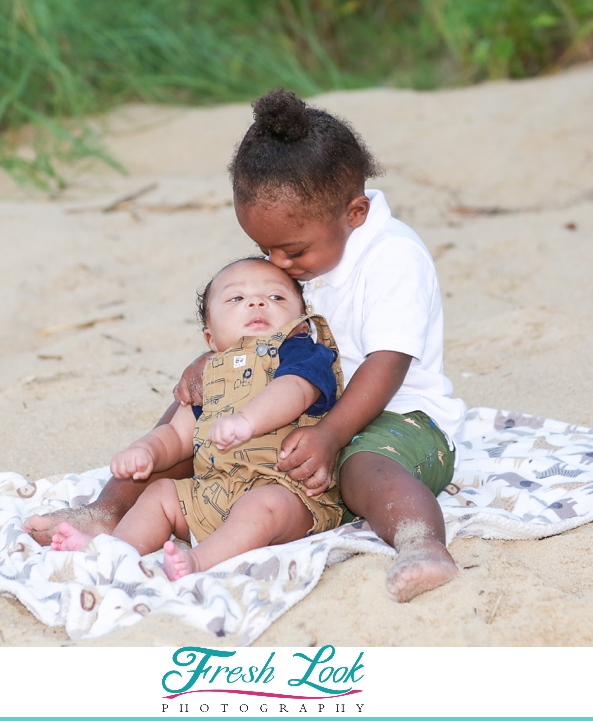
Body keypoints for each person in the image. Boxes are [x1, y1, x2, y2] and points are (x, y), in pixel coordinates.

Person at [25, 91, 463, 605]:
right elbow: (267, 338)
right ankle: (106, 510)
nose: (278, 263)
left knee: (360, 467)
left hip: (398, 418)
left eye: (292, 251)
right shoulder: (315, 250)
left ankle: (421, 543)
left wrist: (331, 433)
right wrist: (219, 364)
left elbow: (387, 363)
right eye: (264, 250)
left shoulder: (393, 260)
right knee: (199, 407)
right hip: (309, 409)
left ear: (356, 212)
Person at [47, 258, 344, 580]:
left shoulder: (300, 351)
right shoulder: (209, 373)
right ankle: (115, 550)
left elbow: (295, 390)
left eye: (276, 298)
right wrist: (145, 450)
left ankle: (200, 561)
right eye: (236, 299)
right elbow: (176, 435)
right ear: (210, 339)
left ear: (301, 324)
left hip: (289, 491)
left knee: (262, 506)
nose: (257, 302)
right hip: (216, 492)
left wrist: (247, 420)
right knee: (160, 493)